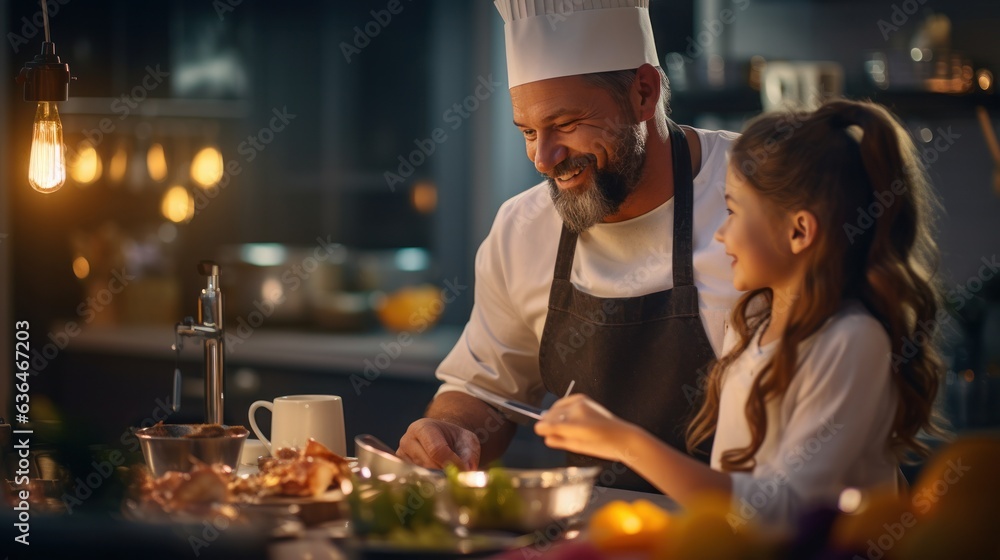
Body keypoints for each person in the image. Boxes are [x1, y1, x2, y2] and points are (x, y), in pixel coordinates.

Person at [534, 99, 946, 524]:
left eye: (732, 211)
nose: (721, 232)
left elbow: (786, 516)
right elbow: (736, 501)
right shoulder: (751, 323)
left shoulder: (853, 341)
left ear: (800, 230)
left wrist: (625, 443)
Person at [397, 0, 743, 492]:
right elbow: (485, 390)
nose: (543, 158)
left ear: (644, 92)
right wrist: (453, 431)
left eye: (564, 124)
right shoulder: (523, 228)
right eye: (528, 132)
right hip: (595, 537)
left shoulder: (759, 196)